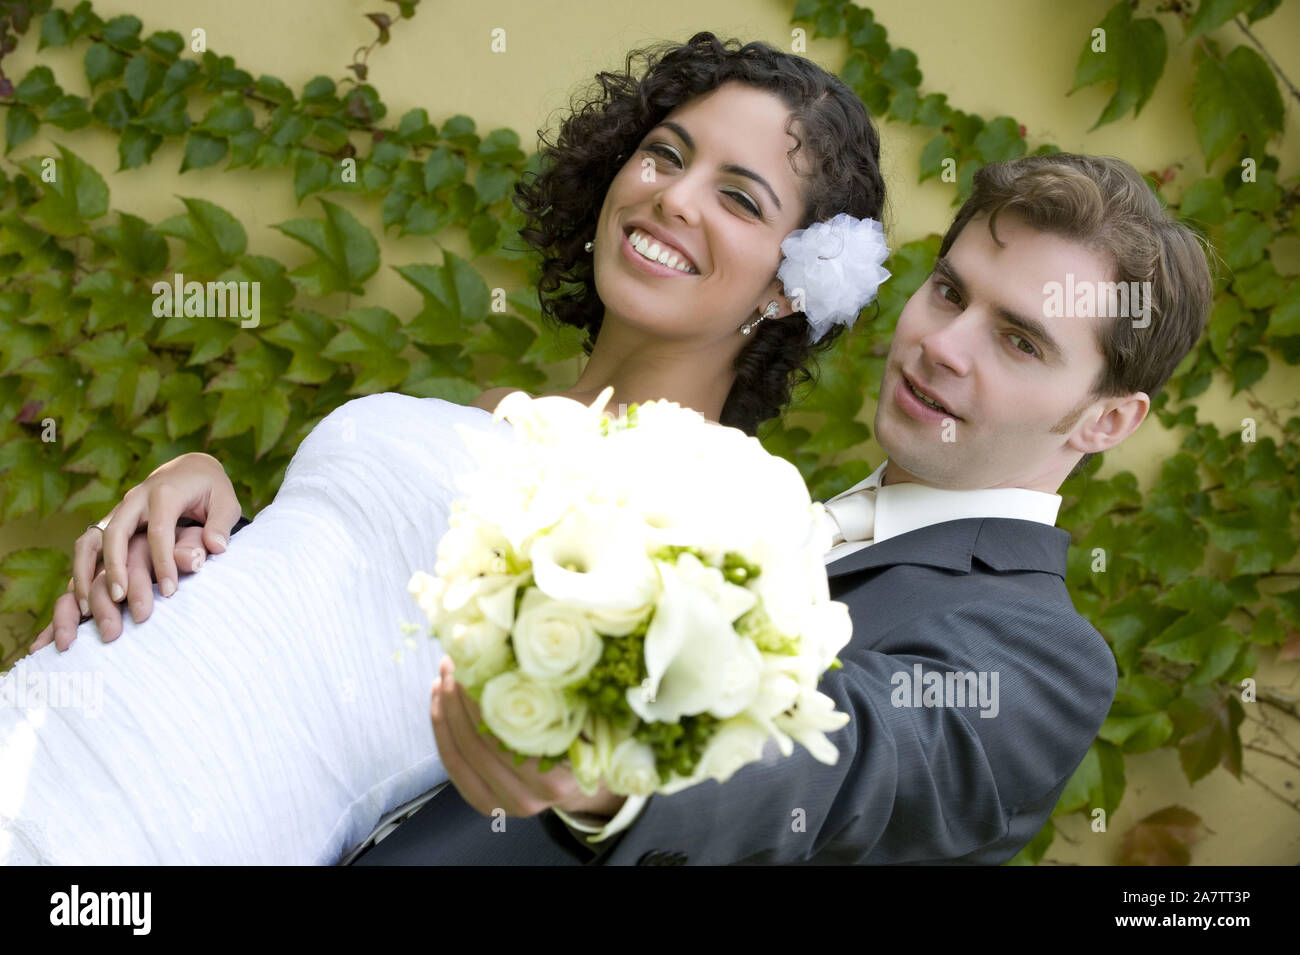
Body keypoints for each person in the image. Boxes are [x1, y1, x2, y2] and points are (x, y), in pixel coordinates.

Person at [4, 32, 889, 864]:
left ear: (791, 284)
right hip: (48, 711)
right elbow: (342, 593)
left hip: (165, 820)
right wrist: (201, 491)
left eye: (738, 197)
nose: (674, 195)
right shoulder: (491, 406)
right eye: (665, 151)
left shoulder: (719, 502)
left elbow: (646, 778)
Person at [345, 152, 1213, 864]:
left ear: (1106, 420)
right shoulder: (750, 503)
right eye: (949, 292)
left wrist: (620, 768)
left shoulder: (1046, 660)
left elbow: (848, 760)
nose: (942, 344)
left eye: (1019, 341)